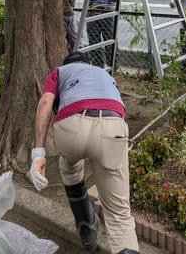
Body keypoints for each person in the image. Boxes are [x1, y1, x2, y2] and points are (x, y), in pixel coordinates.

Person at [30, 51, 139, 254]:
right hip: (112, 129)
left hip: (71, 129)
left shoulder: (60, 72)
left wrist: (38, 154)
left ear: (67, 64)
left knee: (69, 167)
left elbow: (45, 102)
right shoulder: (105, 74)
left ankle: (87, 230)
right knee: (119, 215)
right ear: (88, 63)